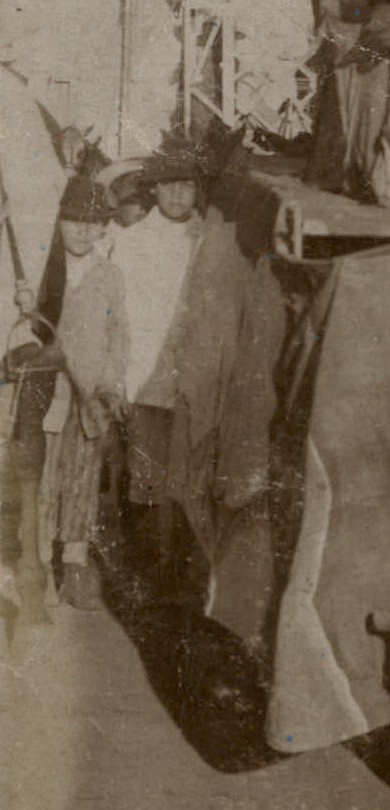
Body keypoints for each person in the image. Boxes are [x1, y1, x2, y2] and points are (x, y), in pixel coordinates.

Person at [109, 139, 205, 594]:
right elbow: (119, 316)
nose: (177, 196)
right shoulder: (130, 243)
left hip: (192, 382)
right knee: (145, 479)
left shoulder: (207, 241)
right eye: (169, 186)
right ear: (155, 190)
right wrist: (123, 383)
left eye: (186, 186)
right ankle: (146, 575)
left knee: (188, 479)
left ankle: (181, 577)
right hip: (144, 379)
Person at [44, 168, 130, 610]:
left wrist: (111, 384)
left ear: (103, 228)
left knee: (81, 481)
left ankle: (73, 565)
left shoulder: (109, 275)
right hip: (47, 397)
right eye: (73, 219)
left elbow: (119, 337)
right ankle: (38, 566)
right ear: (57, 221)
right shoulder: (45, 269)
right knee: (43, 481)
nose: (82, 230)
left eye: (92, 221)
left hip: (89, 399)